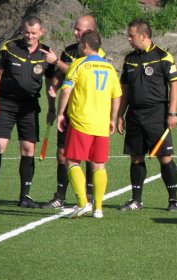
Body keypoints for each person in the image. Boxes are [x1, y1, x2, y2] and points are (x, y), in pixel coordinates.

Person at [0, 16, 56, 210]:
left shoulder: (47, 53)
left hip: (29, 107)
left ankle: (25, 196)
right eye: (26, 32)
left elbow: (49, 83)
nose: (29, 36)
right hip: (5, 103)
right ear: (23, 31)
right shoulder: (9, 47)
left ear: (41, 33)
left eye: (33, 33)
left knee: (28, 150)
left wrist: (51, 108)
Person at [41, 16, 106, 209]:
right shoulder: (69, 51)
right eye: (75, 29)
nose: (75, 32)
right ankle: (60, 195)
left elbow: (81, 70)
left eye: (79, 30)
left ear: (91, 32)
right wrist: (54, 86)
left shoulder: (97, 53)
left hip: (88, 113)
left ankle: (90, 195)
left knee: (89, 156)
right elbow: (60, 76)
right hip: (68, 112)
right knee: (62, 153)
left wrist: (56, 62)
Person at [117, 18, 177, 212]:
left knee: (165, 157)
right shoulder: (129, 59)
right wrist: (120, 115)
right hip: (135, 115)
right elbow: (125, 90)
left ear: (144, 36)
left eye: (132, 35)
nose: (128, 38)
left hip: (157, 114)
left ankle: (173, 200)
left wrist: (171, 113)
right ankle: (136, 199)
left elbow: (175, 85)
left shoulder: (163, 57)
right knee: (136, 157)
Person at [56, 30, 121, 219]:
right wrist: (112, 118)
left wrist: (60, 113)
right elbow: (117, 96)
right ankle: (98, 208)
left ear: (85, 46)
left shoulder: (78, 64)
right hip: (101, 123)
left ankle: (83, 202)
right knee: (99, 164)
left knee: (72, 160)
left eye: (79, 45)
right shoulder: (110, 68)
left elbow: (66, 91)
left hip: (81, 121)